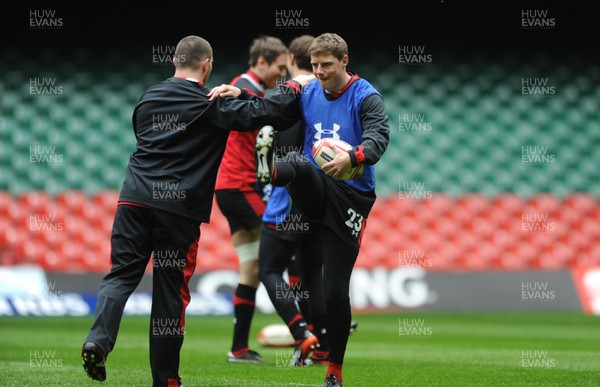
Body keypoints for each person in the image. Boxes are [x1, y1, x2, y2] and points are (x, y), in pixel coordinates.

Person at [80, 35, 314, 387]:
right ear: (207, 65)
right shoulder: (209, 102)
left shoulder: (147, 98)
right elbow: (266, 114)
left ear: (175, 61)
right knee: (170, 294)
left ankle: (98, 340)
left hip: (132, 200)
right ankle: (167, 380)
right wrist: (295, 85)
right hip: (178, 209)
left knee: (120, 276)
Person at [254, 33, 390, 387]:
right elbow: (274, 111)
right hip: (316, 183)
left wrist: (353, 156)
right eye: (314, 65)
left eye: (326, 65)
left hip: (351, 195)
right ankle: (271, 169)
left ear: (345, 61)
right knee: (297, 162)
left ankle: (334, 370)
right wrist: (241, 94)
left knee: (334, 290)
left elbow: (379, 137)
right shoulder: (309, 89)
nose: (319, 71)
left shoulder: (366, 96)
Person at [214, 35, 289, 364]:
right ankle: (310, 329)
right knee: (286, 242)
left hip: (232, 187)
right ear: (262, 62)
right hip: (240, 187)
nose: (282, 75)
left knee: (252, 268)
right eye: (279, 68)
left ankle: (239, 349)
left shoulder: (251, 90)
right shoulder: (243, 87)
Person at [257, 35, 329, 367]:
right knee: (312, 273)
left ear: (289, 60)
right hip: (320, 197)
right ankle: (323, 343)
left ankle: (301, 333)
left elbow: (278, 142)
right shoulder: (328, 93)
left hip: (287, 195)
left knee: (270, 270)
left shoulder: (289, 94)